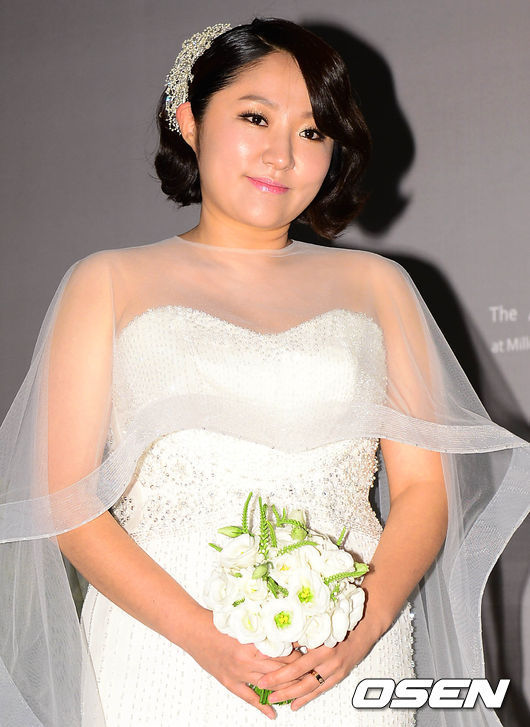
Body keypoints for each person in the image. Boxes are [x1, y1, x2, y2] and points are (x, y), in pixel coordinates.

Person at [0, 16, 528, 727]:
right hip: (162, 645)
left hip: (345, 651)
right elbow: (68, 506)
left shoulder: (380, 286)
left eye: (312, 132)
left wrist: (361, 628)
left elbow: (421, 493)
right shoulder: (108, 282)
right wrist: (203, 638)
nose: (282, 155)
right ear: (190, 120)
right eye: (256, 118)